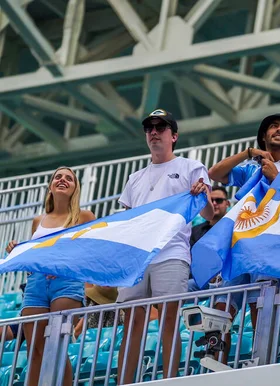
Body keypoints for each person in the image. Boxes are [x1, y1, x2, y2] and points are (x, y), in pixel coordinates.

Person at [116, 109, 214, 384]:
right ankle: (124, 382)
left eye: (161, 126)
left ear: (174, 135)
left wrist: (203, 194)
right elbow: (126, 222)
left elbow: (207, 215)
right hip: (137, 256)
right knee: (133, 323)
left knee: (168, 320)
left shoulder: (190, 167)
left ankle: (171, 380)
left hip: (171, 252)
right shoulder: (134, 178)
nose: (154, 131)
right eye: (149, 128)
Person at [208, 113, 280, 363]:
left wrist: (277, 176)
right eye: (273, 127)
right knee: (220, 311)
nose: (278, 130)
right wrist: (248, 153)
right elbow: (215, 173)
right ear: (264, 136)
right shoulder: (250, 168)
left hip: (269, 244)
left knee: (259, 307)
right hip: (239, 243)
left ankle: (260, 364)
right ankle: (216, 369)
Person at [6, 166, 96, 386]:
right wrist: (19, 251)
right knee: (34, 349)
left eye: (69, 178)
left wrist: (62, 263)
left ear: (75, 188)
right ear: (50, 186)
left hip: (66, 283)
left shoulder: (85, 216)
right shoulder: (38, 221)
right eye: (58, 177)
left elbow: (91, 254)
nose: (62, 180)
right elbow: (35, 256)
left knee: (56, 346)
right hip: (35, 284)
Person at [188, 185, 230, 292]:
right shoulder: (195, 231)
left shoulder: (235, 228)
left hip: (227, 277)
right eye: (211, 200)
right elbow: (191, 258)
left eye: (219, 200)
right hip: (202, 279)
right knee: (182, 287)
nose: (214, 203)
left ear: (227, 203)